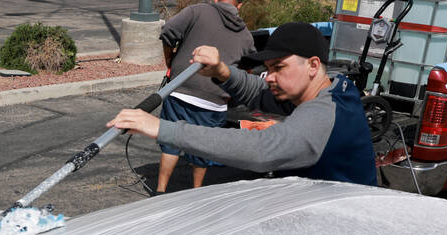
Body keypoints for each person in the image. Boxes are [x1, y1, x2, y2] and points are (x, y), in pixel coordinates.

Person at [109, 22, 377, 186]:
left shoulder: (324, 114)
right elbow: (260, 92)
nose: (269, 76)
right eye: (268, 67)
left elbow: (262, 150)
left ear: (313, 65)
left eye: (279, 67)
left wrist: (163, 129)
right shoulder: (333, 88)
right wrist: (221, 71)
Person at [154, 0, 255, 193]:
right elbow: (247, 71)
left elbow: (168, 31)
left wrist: (170, 62)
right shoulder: (246, 36)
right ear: (240, 6)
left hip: (181, 89)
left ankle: (161, 191)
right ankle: (196, 192)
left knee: (172, 140)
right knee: (202, 148)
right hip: (215, 101)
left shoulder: (198, 10)